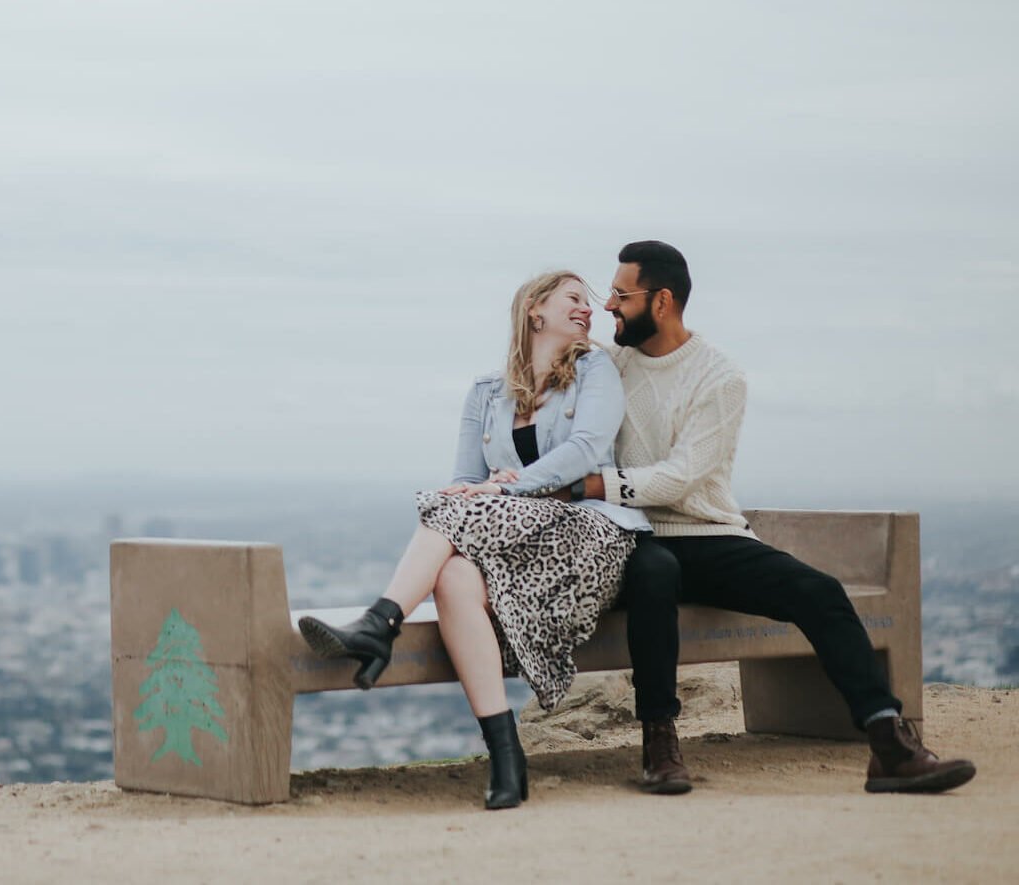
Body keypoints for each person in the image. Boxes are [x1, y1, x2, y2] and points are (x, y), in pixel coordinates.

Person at [517, 239, 976, 795]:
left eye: (620, 294)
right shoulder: (607, 366)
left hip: (707, 532)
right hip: (632, 536)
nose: (608, 305)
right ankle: (659, 745)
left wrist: (591, 484)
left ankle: (889, 745)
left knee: (820, 592)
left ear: (661, 302)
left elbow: (682, 476)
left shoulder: (719, 378)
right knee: (655, 574)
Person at [297, 270, 652, 810]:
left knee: (444, 512)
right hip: (513, 536)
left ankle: (379, 624)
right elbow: (465, 480)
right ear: (535, 310)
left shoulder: (595, 369)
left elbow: (585, 448)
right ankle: (506, 757)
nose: (589, 310)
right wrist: (486, 492)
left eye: (590, 302)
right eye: (574, 299)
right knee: (454, 575)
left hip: (587, 534)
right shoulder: (487, 391)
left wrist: (510, 491)